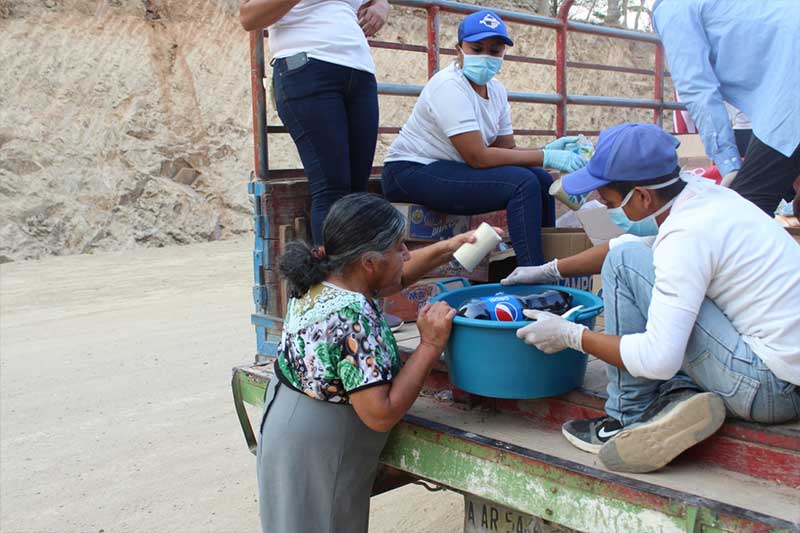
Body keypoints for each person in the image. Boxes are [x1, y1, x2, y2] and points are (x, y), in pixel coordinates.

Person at [503, 123, 800, 474]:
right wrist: (548, 270)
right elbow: (633, 245)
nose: (602, 203)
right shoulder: (704, 196)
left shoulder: (685, 235)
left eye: (608, 199)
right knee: (630, 258)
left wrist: (572, 336)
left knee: (624, 266)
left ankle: (627, 415)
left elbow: (658, 357)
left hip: (767, 387)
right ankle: (681, 394)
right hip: (786, 376)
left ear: (643, 197)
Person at [257, 193, 483, 533]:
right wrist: (430, 343)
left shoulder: (325, 273)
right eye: (399, 247)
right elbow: (381, 413)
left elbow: (395, 277)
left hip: (288, 419)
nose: (406, 254)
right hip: (319, 444)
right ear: (369, 263)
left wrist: (448, 247)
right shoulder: (352, 318)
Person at [381, 9, 587, 267]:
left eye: (494, 50)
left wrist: (545, 151)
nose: (486, 57)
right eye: (477, 49)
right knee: (522, 183)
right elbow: (477, 157)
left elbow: (506, 149)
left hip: (451, 168)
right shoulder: (448, 85)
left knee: (541, 179)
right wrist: (548, 156)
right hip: (410, 172)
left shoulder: (497, 91)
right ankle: (531, 275)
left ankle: (547, 265)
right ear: (459, 50)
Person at [240, 0, 390, 245]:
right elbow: (248, 17)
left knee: (356, 190)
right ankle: (332, 279)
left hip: (360, 71)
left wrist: (381, 6)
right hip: (307, 66)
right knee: (332, 188)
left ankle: (353, 276)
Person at [652, 0, 800, 215]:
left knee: (745, 211)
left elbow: (697, 90)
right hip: (786, 83)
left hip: (789, 92)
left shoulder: (673, 8)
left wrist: (728, 164)